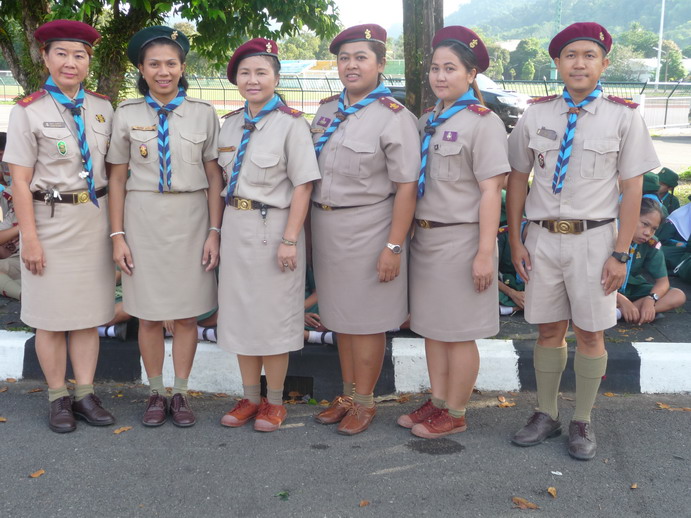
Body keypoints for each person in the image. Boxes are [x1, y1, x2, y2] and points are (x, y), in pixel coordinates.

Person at [506, 22, 660, 460]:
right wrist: (516, 240)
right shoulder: (536, 114)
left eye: (589, 55)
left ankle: (582, 419)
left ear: (604, 64)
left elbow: (632, 189)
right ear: (557, 63)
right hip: (542, 239)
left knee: (591, 332)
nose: (579, 63)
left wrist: (620, 253)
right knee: (548, 328)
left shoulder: (623, 117)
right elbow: (517, 179)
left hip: (595, 242)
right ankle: (547, 412)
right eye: (570, 55)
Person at [107, 26, 223, 427]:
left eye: (171, 63)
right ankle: (156, 392)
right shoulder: (126, 114)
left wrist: (214, 232)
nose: (163, 71)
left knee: (188, 315)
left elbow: (214, 177)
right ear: (141, 69)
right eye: (154, 64)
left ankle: (181, 393)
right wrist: (117, 235)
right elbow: (117, 179)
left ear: (182, 67)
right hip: (143, 220)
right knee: (149, 315)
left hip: (192, 219)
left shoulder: (203, 113)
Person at [4, 20, 116, 433]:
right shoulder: (28, 110)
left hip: (94, 220)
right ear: (46, 57)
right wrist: (29, 238)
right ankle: (57, 398)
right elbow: (19, 181)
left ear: (89, 61)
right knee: (49, 317)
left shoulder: (103, 107)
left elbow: (114, 173)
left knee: (87, 316)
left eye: (79, 55)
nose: (71, 62)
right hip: (48, 223)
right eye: (62, 54)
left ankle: (84, 394)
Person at [397, 26, 508, 439]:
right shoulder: (427, 120)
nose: (440, 76)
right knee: (432, 329)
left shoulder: (484, 123)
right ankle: (439, 400)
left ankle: (456, 412)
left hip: (463, 240)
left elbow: (491, 192)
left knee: (459, 334)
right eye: (435, 68)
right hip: (426, 239)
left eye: (450, 68)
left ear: (471, 74)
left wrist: (484, 253)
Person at [310, 24, 419, 435]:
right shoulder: (326, 110)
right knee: (340, 316)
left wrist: (393, 246)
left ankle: (366, 402)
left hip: (370, 227)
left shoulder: (394, 117)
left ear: (380, 63)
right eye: (344, 58)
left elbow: (407, 187)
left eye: (361, 58)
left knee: (367, 319)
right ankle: (347, 395)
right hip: (327, 226)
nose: (351, 65)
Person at [216, 38, 320, 432]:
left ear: (276, 78)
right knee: (241, 315)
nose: (253, 80)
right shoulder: (229, 124)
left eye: (261, 72)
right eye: (245, 73)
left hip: (275, 227)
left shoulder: (291, 124)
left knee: (274, 319)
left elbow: (303, 185)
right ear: (236, 79)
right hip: (236, 225)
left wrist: (290, 239)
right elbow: (220, 180)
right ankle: (249, 397)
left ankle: (274, 402)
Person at [616, 198, 686, 324]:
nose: (648, 233)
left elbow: (663, 282)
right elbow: (590, 279)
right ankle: (630, 310)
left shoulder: (651, 243)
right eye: (644, 224)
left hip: (631, 288)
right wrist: (622, 300)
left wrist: (651, 299)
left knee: (677, 295)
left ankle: (619, 313)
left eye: (654, 228)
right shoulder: (609, 236)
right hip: (605, 290)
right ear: (629, 216)